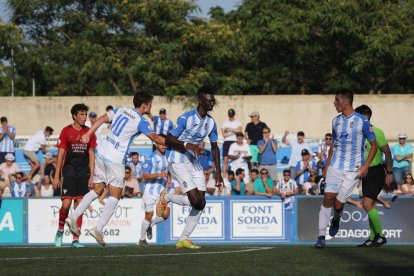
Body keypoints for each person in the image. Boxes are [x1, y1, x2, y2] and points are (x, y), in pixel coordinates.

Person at [65, 91, 165, 247]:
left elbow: (101, 119)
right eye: (150, 104)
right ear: (144, 105)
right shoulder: (141, 121)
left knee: (97, 189)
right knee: (115, 195)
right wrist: (177, 143)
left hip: (102, 152)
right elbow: (156, 139)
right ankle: (98, 228)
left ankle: (74, 216)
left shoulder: (121, 109)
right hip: (115, 158)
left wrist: (88, 134)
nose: (151, 106)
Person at [158, 85, 223, 250]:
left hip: (192, 161)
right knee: (195, 200)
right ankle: (167, 198)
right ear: (200, 99)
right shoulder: (186, 118)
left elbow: (215, 147)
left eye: (213, 100)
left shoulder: (211, 123)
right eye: (209, 100)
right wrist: (189, 145)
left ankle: (183, 239)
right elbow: (169, 139)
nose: (212, 103)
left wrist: (219, 173)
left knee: (200, 203)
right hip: (177, 159)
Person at [315, 89, 378, 249]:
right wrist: (327, 165)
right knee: (328, 197)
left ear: (345, 102)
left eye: (336, 100)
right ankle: (321, 236)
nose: (334, 103)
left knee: (338, 203)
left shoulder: (362, 121)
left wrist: (366, 166)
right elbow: (333, 146)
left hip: (353, 170)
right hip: (335, 167)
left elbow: (374, 145)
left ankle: (336, 219)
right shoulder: (335, 121)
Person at [52, 103, 97, 248]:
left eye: (85, 114)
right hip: (69, 171)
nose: (84, 117)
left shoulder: (89, 132)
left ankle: (75, 239)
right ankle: (60, 231)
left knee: (79, 206)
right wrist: (57, 175)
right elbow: (60, 154)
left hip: (84, 172)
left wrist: (92, 176)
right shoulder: (66, 131)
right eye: (82, 115)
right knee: (66, 205)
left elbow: (91, 154)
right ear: (74, 116)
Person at [354, 104, 393, 247]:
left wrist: (389, 172)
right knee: (370, 205)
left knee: (367, 204)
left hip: (376, 171)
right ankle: (372, 238)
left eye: (357, 116)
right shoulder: (359, 134)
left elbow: (387, 153)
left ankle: (381, 236)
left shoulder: (377, 132)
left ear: (365, 117)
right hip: (365, 173)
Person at [139, 137, 169, 246]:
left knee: (165, 215)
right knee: (149, 215)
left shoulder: (168, 156)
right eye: (161, 144)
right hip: (150, 191)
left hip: (162, 191)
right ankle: (142, 239)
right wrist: (160, 175)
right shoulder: (150, 158)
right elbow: (145, 175)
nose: (164, 146)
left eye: (165, 144)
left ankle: (150, 226)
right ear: (156, 144)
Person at [221, 108, 242, 176]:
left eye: (232, 115)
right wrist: (234, 132)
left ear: (234, 115)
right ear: (228, 115)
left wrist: (230, 129)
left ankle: (237, 175)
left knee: (236, 158)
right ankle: (224, 176)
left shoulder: (238, 122)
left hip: (235, 141)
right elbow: (224, 134)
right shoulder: (225, 123)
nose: (231, 116)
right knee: (225, 159)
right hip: (227, 141)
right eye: (230, 115)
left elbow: (239, 131)